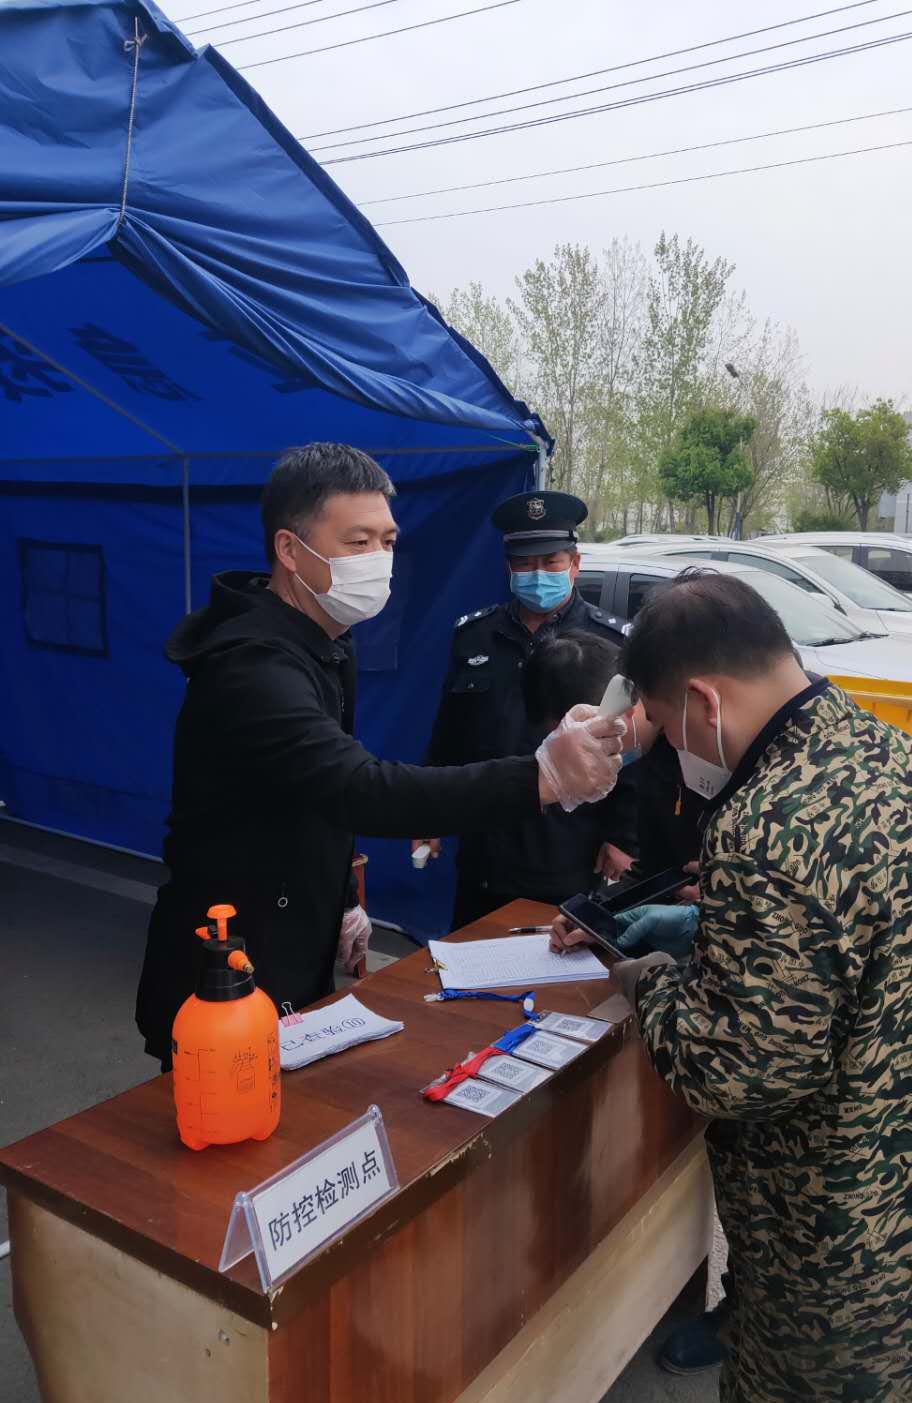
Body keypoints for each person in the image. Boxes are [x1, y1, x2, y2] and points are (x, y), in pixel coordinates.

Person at [554, 571, 912, 1403]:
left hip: (858, 1208)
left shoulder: (765, 822)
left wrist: (649, 980)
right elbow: (861, 929)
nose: (675, 750)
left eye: (667, 726)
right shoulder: (885, 752)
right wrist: (713, 926)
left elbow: (736, 1071)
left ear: (702, 701)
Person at [136, 443, 623, 1065]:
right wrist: (543, 776)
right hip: (226, 965)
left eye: (388, 542)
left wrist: (340, 897)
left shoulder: (324, 643)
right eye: (358, 542)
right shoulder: (252, 666)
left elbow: (310, 792)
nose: (378, 560)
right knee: (225, 1112)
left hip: (290, 942)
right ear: (290, 550)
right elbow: (353, 786)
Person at [417, 491, 638, 928]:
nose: (538, 574)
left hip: (569, 844)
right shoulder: (475, 635)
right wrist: (430, 813)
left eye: (550, 562)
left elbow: (630, 748)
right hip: (487, 842)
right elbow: (450, 734)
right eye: (524, 563)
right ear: (508, 568)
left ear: (574, 564)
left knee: (560, 957)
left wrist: (623, 836)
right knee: (471, 956)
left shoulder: (609, 643)